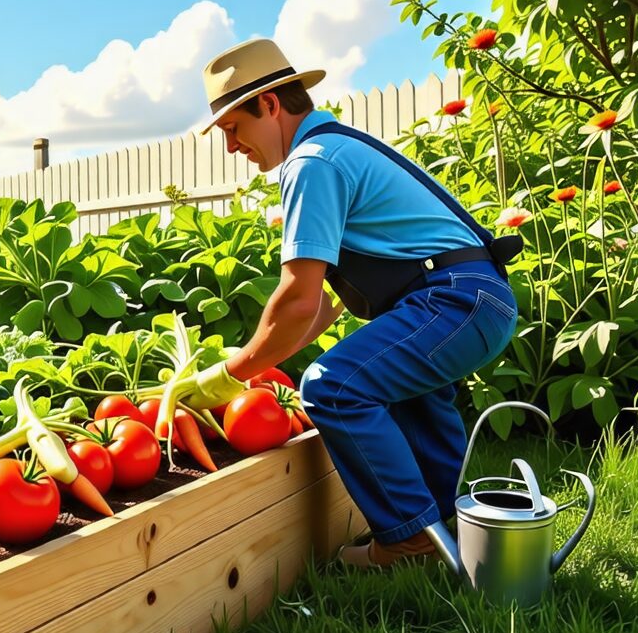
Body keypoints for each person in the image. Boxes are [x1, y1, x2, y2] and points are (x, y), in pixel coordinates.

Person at [176, 38, 519, 568]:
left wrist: (231, 374)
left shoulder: (312, 163)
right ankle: (444, 530)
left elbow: (295, 299)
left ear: (269, 104)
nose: (231, 148)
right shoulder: (336, 148)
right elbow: (322, 309)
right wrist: (259, 361)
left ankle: (406, 540)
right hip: (473, 299)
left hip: (454, 301)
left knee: (332, 387)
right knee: (406, 394)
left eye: (232, 129)